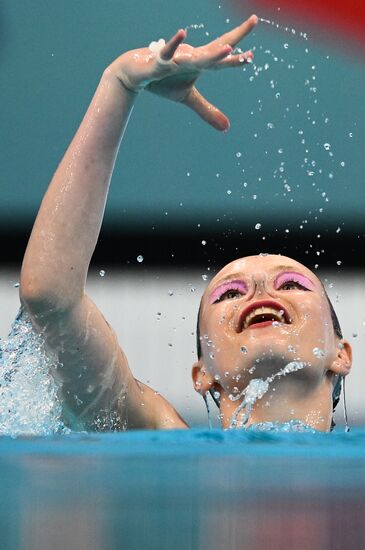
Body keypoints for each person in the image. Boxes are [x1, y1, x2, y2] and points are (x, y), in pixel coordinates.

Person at [19, 15, 352, 432]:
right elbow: (50, 296)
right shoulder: (161, 437)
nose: (261, 292)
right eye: (230, 293)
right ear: (202, 374)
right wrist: (120, 84)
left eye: (291, 285)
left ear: (342, 353)